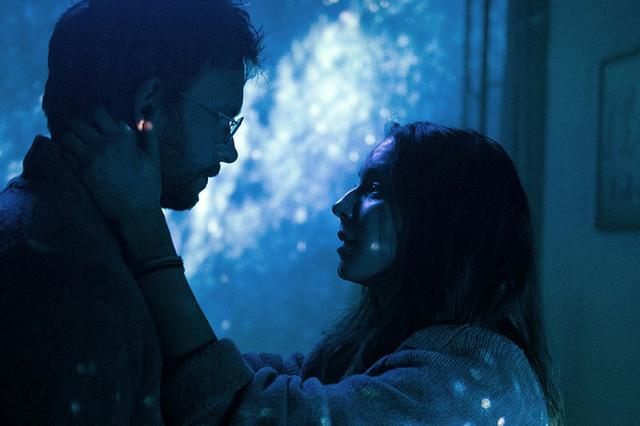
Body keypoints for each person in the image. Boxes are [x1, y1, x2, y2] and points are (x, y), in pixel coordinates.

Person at [61, 115, 565, 424]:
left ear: (443, 217)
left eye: (375, 188)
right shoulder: (387, 345)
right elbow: (260, 384)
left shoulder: (473, 383)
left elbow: (243, 414)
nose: (341, 206)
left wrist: (143, 228)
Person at [0, 0, 262, 423]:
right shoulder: (76, 281)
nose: (229, 151)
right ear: (149, 108)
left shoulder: (44, 233)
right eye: (222, 119)